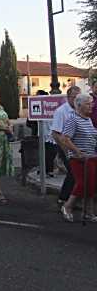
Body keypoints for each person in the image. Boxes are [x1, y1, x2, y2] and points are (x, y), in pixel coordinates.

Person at [58, 94, 97, 222]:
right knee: (82, 183)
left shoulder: (88, 119)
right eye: (88, 104)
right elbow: (65, 138)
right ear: (79, 105)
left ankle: (89, 212)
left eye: (91, 103)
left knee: (91, 185)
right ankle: (67, 206)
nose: (91, 106)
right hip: (78, 159)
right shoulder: (73, 119)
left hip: (91, 156)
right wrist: (77, 151)